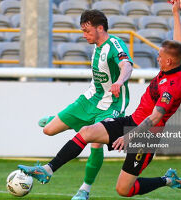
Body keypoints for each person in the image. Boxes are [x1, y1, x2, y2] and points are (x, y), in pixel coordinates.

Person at [18, 0, 181, 197]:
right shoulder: (177, 64)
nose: (157, 58)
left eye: (159, 56)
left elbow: (156, 118)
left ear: (168, 61)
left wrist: (129, 136)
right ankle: (47, 170)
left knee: (124, 190)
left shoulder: (173, 86)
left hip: (146, 136)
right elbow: (179, 45)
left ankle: (167, 180)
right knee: (87, 132)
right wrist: (175, 13)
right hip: (132, 121)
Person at [37, 9, 133, 200]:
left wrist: (120, 81)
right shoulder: (97, 45)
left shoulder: (115, 44)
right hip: (89, 99)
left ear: (100, 28)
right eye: (83, 31)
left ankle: (84, 190)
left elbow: (127, 65)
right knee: (48, 130)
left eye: (87, 31)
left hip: (111, 104)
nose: (84, 35)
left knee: (95, 142)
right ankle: (58, 119)